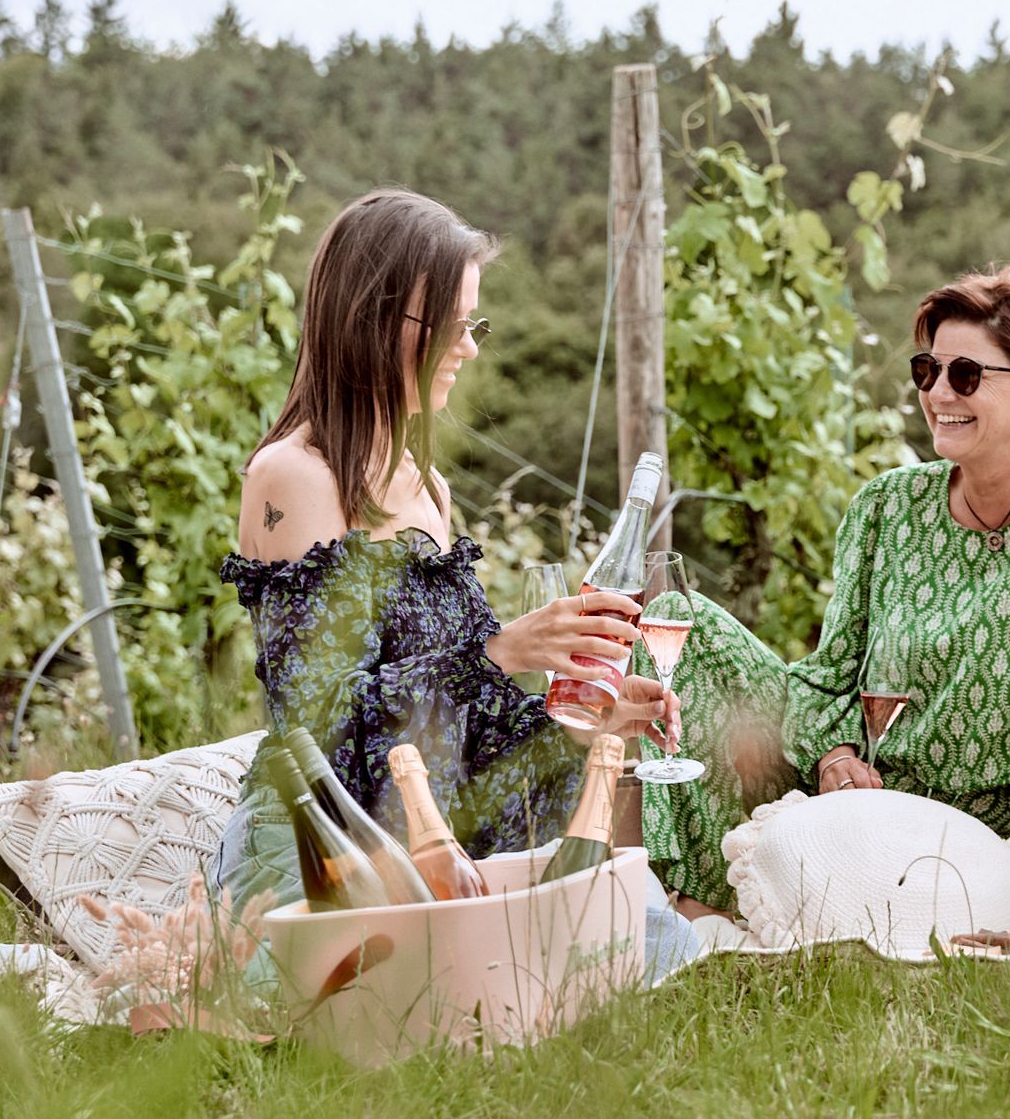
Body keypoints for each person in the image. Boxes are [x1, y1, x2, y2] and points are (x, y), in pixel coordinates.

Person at [646, 264, 1010, 913]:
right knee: (676, 622)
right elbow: (830, 673)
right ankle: (697, 913)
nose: (938, 392)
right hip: (844, 794)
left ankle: (751, 900)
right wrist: (834, 758)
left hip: (975, 835)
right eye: (926, 371)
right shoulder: (886, 505)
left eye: (966, 375)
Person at [211, 189, 682, 926]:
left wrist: (589, 717)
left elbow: (458, 727)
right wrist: (498, 650)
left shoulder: (428, 485)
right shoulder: (293, 478)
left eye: (475, 325)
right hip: (327, 845)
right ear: (373, 318)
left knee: (635, 929)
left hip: (441, 830)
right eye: (452, 327)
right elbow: (325, 728)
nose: (469, 348)